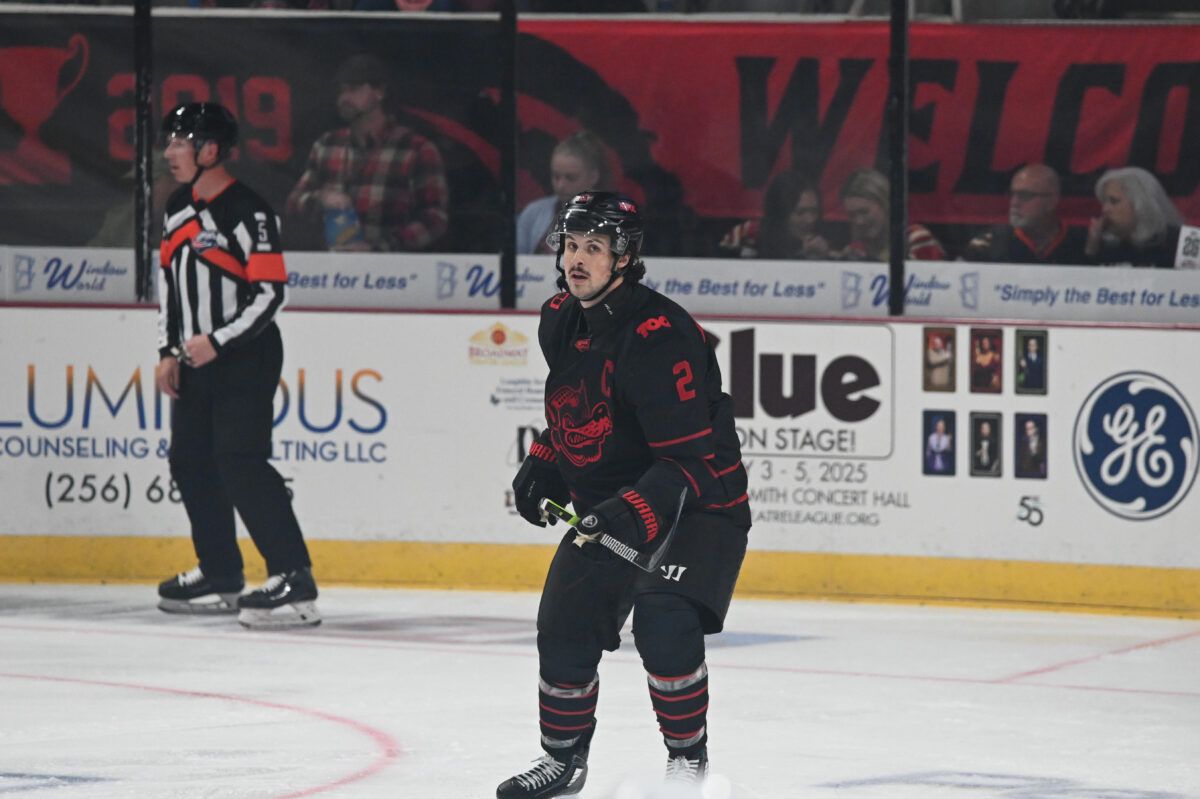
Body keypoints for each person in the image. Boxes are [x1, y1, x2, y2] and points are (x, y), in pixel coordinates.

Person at [500, 192, 751, 797]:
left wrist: (635, 510)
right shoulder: (559, 316)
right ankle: (564, 762)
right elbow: (584, 413)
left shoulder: (660, 335)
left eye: (593, 248)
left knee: (664, 623)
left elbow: (690, 456)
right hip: (616, 502)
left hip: (698, 502)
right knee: (563, 623)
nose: (575, 260)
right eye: (570, 245)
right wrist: (544, 459)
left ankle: (687, 763)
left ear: (624, 258)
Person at [154, 102, 320, 630]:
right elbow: (170, 293)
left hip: (245, 355)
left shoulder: (248, 210)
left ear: (210, 150)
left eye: (181, 142)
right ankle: (221, 571)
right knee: (189, 461)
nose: (170, 152)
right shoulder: (176, 208)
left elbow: (270, 293)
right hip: (195, 358)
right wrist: (167, 350)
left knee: (241, 460)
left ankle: (294, 574)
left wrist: (217, 343)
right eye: (171, 142)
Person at [285, 54, 449, 252]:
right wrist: (322, 198)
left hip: (393, 274)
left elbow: (434, 219)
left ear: (379, 92)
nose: (344, 98)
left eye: (353, 89)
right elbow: (293, 203)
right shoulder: (327, 144)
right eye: (341, 91)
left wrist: (377, 248)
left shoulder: (416, 149)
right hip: (329, 271)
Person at [960, 164, 1088, 265]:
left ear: (1052, 201)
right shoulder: (984, 248)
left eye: (1025, 195)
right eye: (1012, 194)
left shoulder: (1083, 245)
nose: (1014, 202)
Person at [517, 130, 609, 254]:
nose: (561, 185)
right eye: (556, 176)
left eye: (570, 178)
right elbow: (517, 263)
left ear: (593, 177)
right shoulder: (533, 213)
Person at [718, 169, 831, 260]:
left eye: (814, 211)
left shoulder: (825, 240)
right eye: (800, 212)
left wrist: (820, 259)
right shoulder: (747, 233)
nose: (809, 220)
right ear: (780, 212)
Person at [836, 168, 945, 261]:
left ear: (885, 204)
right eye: (852, 215)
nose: (859, 221)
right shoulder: (856, 250)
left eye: (864, 212)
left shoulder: (914, 239)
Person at [1085, 167, 1184, 268]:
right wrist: (1091, 249)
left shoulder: (1179, 244)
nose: (1105, 209)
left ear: (1140, 204)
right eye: (1104, 202)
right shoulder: (1102, 245)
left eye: (1113, 201)